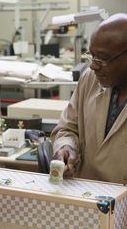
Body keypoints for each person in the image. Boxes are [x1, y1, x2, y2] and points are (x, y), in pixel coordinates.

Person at [51, 13, 127, 184]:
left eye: (104, 58)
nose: (93, 65)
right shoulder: (90, 78)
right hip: (87, 192)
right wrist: (65, 147)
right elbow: (67, 128)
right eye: (92, 55)